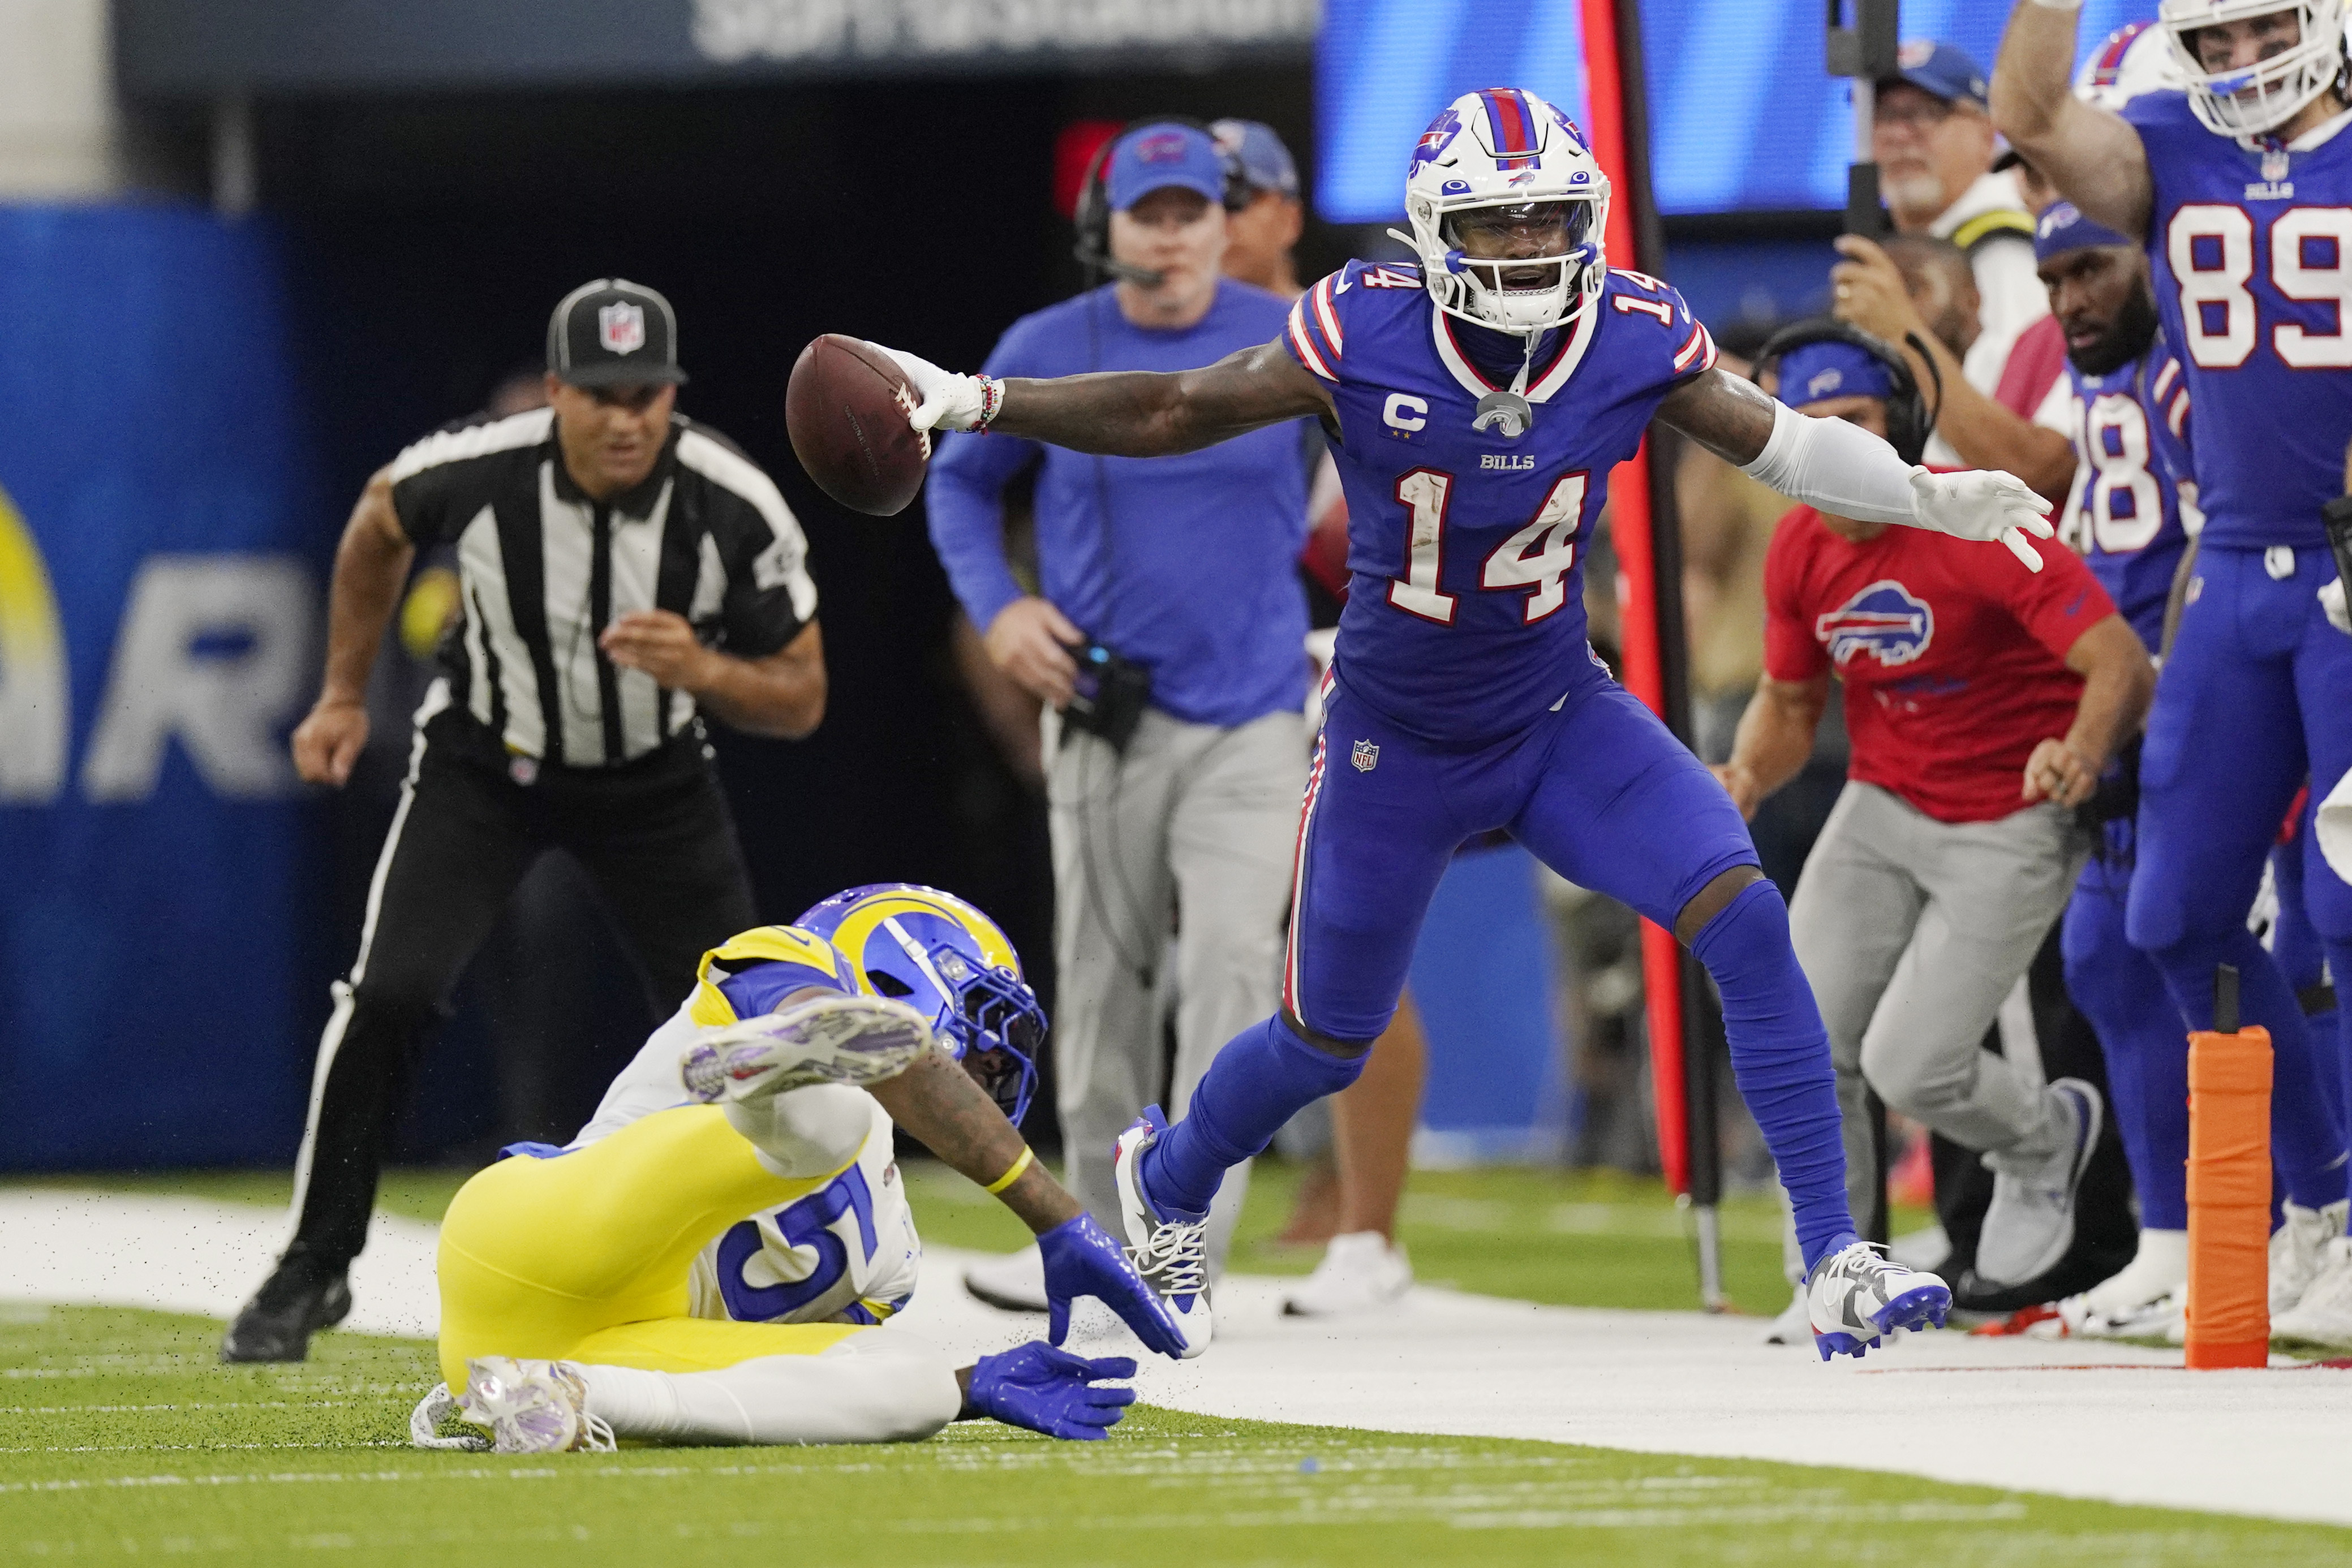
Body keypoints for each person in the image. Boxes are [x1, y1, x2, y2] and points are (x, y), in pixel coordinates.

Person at [872, 86, 2062, 1357]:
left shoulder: (1625, 331)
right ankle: (1163, 1183)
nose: (1529, 251)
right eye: (1497, 226)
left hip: (1557, 712)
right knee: (1323, 1039)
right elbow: (1176, 408)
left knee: (1740, 911)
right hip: (1395, 736)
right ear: (1437, 234)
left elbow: (1777, 446)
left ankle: (1831, 1257)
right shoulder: (1360, 329)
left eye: (1551, 220)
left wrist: (1931, 498)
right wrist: (983, 402)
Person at [224, 279, 827, 1364]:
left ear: (672, 396)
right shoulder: (480, 468)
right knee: (390, 992)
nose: (624, 418)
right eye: (600, 394)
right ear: (555, 395)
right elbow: (375, 523)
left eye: (645, 393)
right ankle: (314, 1262)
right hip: (485, 768)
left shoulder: (730, 499)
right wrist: (343, 694)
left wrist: (706, 669)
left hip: (655, 784)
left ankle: (788, 1254)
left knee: (744, 1027)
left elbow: (802, 693)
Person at [1994, 0, 2352, 1346]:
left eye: (2265, 33)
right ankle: (2312, 1202)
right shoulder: (2171, 147)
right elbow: (2028, 114)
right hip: (2236, 559)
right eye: (2215, 42)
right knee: (2173, 918)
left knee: (2337, 902)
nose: (2243, 63)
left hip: (2339, 565)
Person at [929, 122, 1314, 1310]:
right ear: (1109, 230)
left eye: (1191, 211)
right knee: (1099, 985)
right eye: (1147, 213)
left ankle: (1183, 1241)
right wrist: (999, 611)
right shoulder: (1047, 347)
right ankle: (1096, 1239)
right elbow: (955, 476)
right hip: (1102, 716)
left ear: (1221, 224)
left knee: (1235, 973)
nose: (1171, 234)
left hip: (1252, 709)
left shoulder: (1288, 341)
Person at [407, 884, 1185, 1453]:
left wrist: (967, 1389)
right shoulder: (790, 957)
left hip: (581, 1348)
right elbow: (834, 1015)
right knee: (839, 1109)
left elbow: (770, 1372)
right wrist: (1055, 1215)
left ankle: (555, 1401)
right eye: (983, 1030)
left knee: (914, 1388)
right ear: (897, 973)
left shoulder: (894, 1259)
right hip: (538, 1238)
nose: (993, 1064)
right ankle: (779, 1065)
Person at [1718, 329, 2153, 1325]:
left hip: (2008, 812)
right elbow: (1789, 706)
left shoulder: (1974, 513)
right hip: (1882, 800)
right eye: (1814, 432)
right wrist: (1744, 770)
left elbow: (2118, 661)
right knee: (1798, 1035)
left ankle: (2044, 1137)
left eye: (1858, 426)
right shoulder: (1797, 545)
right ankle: (1830, 1273)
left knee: (1908, 1065)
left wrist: (2079, 752)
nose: (1838, 454)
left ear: (1905, 427)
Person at [1207, 115, 1426, 1316]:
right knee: (1245, 946)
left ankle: (1368, 1222)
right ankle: (1315, 1193)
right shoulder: (1181, 345)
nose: (1208, 224)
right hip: (1221, 677)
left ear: (1284, 214)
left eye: (1232, 200)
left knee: (1349, 931)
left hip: (1332, 661)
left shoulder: (1342, 332)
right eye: (1190, 201)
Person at [1872, 40, 2049, 419]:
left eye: (1926, 113)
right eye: (1883, 115)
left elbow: (2014, 427)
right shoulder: (1905, 253)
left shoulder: (2005, 250)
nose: (1899, 135)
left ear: (1987, 135)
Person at [1833, 231, 2079, 502]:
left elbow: (2034, 469)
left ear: (1971, 300)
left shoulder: (2026, 353)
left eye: (1911, 290)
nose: (1890, 306)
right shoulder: (1875, 387)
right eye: (1881, 294)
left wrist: (1904, 331)